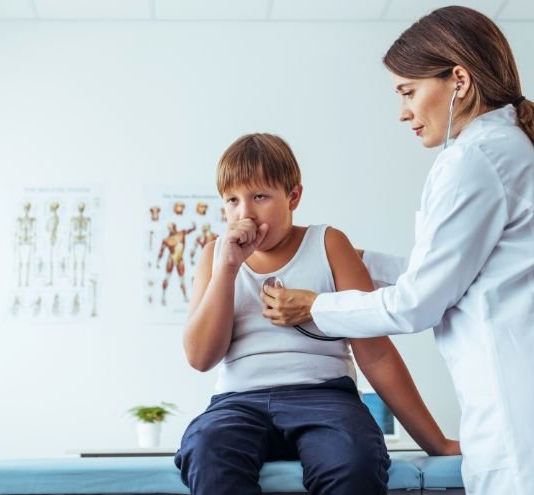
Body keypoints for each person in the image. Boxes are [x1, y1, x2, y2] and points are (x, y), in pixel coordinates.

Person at [260, 6, 534, 495]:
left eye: (408, 91)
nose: (402, 111)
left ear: (459, 80)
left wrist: (316, 306)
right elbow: (470, 277)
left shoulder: (473, 159)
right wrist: (360, 261)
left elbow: (419, 303)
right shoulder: (517, 148)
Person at [175, 133, 458, 495]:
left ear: (293, 196)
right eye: (232, 200)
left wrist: (436, 443)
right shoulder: (215, 256)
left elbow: (377, 354)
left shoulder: (329, 244)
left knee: (354, 458)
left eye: (259, 196)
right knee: (206, 450)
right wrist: (227, 269)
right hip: (238, 401)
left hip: (324, 397)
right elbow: (200, 357)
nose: (244, 213)